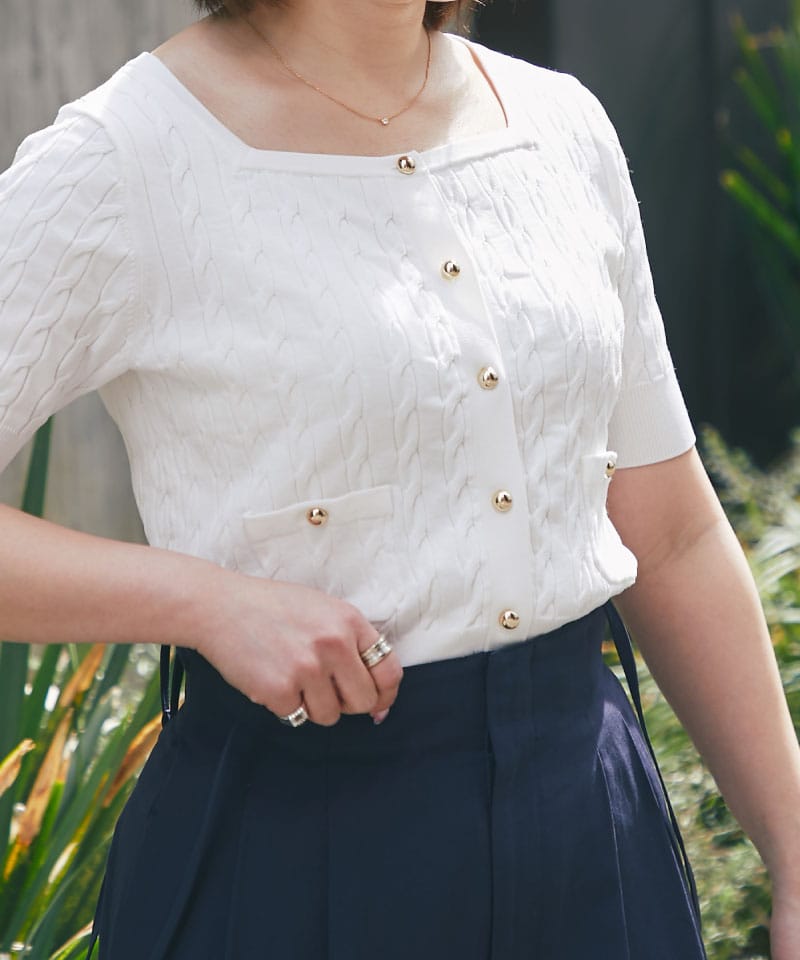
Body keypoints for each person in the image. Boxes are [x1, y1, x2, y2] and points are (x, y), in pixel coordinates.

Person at [1, 0, 799, 956]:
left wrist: (794, 855)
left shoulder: (561, 127)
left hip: (594, 833)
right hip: (294, 845)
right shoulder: (125, 156)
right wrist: (205, 604)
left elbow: (671, 532)